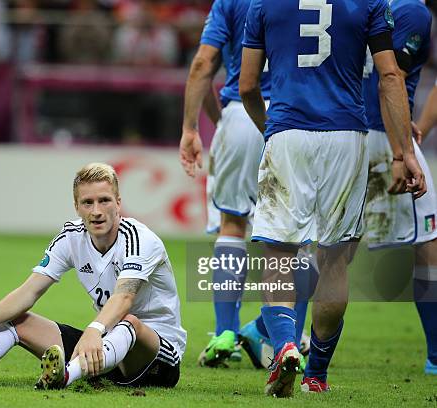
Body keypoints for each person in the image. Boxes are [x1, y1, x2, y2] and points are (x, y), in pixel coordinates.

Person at [237, 0, 426, 397]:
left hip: (288, 131)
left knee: (279, 256)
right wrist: (404, 152)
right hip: (347, 135)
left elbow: (248, 85)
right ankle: (316, 375)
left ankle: (286, 346)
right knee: (336, 260)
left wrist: (271, 128)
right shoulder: (371, 2)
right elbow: (390, 75)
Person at [0, 163, 186, 389]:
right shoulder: (71, 237)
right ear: (77, 207)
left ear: (119, 203)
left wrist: (94, 330)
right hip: (103, 349)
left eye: (105, 200)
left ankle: (66, 375)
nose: (97, 211)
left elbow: (124, 297)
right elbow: (28, 292)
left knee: (128, 322)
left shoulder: (139, 239)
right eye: (88, 203)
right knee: (19, 319)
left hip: (156, 357)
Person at [180, 0, 316, 369]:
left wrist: (195, 126)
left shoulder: (231, 2)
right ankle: (286, 337)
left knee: (232, 225)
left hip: (242, 111)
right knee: (299, 237)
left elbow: (203, 65)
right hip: (300, 116)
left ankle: (226, 332)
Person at [362, 0, 437, 375]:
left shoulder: (375, 4)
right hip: (384, 136)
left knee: (333, 247)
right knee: (428, 244)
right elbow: (390, 80)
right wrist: (398, 151)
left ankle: (271, 332)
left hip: (350, 131)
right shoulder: (413, 11)